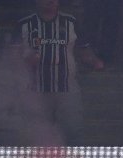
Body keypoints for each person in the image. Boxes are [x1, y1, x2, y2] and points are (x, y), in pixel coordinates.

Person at [18, 0, 104, 145]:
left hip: (67, 88)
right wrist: (27, 60)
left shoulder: (71, 22)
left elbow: (83, 48)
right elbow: (12, 55)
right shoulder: (25, 24)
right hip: (36, 90)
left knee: (73, 131)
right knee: (37, 134)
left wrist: (95, 61)